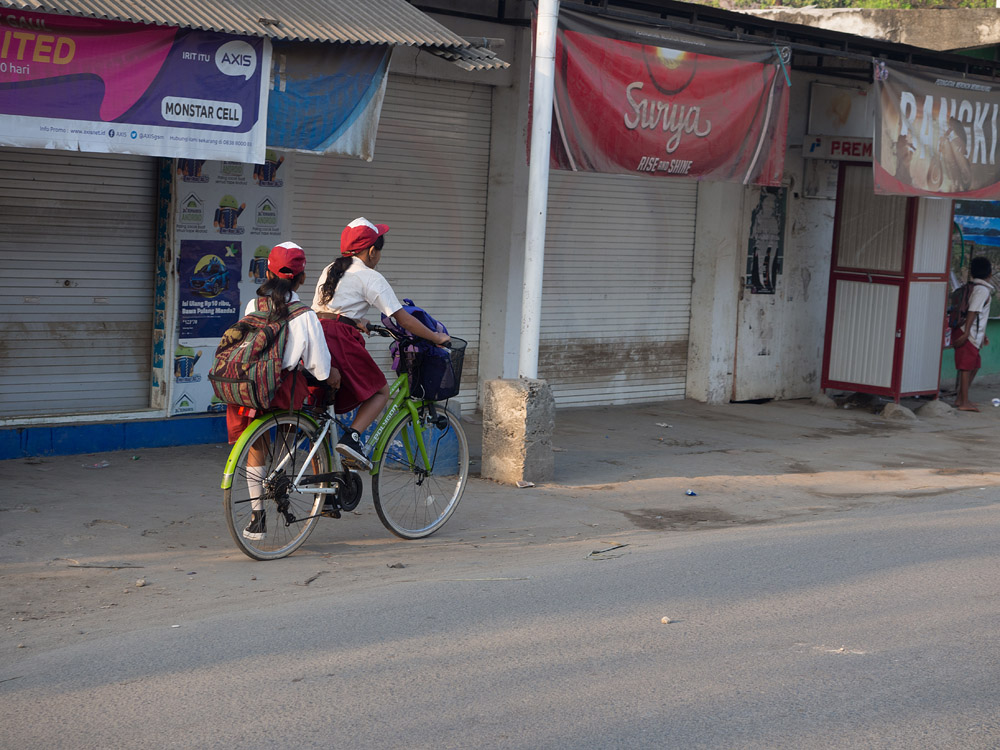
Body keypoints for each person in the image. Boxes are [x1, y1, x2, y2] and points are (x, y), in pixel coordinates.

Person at [312, 217, 450, 469]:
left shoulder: (331, 269)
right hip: (341, 340)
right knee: (380, 391)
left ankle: (328, 486)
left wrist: (357, 321)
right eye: (379, 251)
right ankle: (352, 439)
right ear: (372, 251)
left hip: (318, 335)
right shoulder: (370, 276)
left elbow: (330, 311)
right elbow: (404, 320)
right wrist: (437, 337)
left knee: (323, 411)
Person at [228, 242, 341, 540]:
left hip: (253, 387)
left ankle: (257, 517)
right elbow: (319, 367)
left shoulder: (253, 305)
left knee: (257, 443)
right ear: (302, 278)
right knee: (302, 413)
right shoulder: (305, 314)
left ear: (266, 272)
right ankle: (287, 471)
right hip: (284, 392)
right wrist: (333, 376)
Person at [953, 256, 993, 412]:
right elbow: (973, 311)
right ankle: (963, 402)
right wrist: (966, 333)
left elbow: (980, 315)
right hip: (967, 333)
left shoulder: (974, 287)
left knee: (975, 365)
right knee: (966, 367)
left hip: (972, 333)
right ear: (989, 273)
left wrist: (982, 334)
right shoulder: (982, 290)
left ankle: (961, 398)